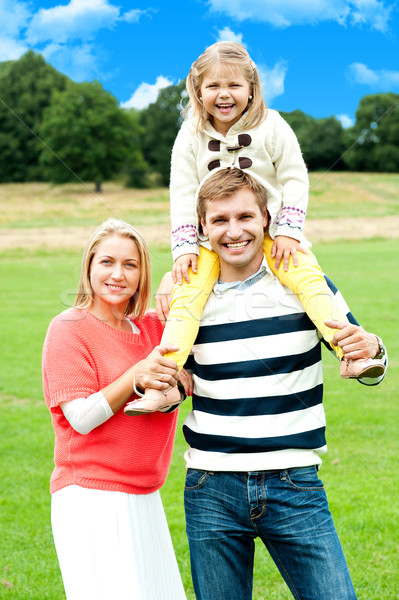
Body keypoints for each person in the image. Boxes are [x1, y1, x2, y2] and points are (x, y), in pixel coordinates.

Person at [128, 41, 384, 414]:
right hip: (208, 240)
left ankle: (350, 352)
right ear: (198, 91)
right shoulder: (190, 134)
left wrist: (288, 231)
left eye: (233, 85)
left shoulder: (273, 126)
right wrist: (183, 250)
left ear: (252, 89)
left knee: (308, 280)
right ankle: (168, 382)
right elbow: (181, 191)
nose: (224, 94)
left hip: (274, 232)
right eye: (213, 86)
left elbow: (295, 177)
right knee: (186, 300)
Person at [180, 168, 387, 600]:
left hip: (294, 482)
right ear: (202, 227)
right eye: (219, 220)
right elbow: (173, 384)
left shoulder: (307, 285)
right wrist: (164, 389)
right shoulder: (185, 298)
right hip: (210, 488)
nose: (233, 231)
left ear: (267, 220)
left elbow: (365, 362)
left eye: (244, 217)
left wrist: (373, 350)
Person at [42, 219, 186, 600]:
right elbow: (82, 418)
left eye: (131, 265)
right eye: (107, 262)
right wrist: (135, 377)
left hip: (144, 495)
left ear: (142, 275)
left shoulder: (154, 329)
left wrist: (174, 277)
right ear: (89, 266)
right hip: (90, 498)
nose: (117, 274)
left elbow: (189, 375)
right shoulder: (68, 328)